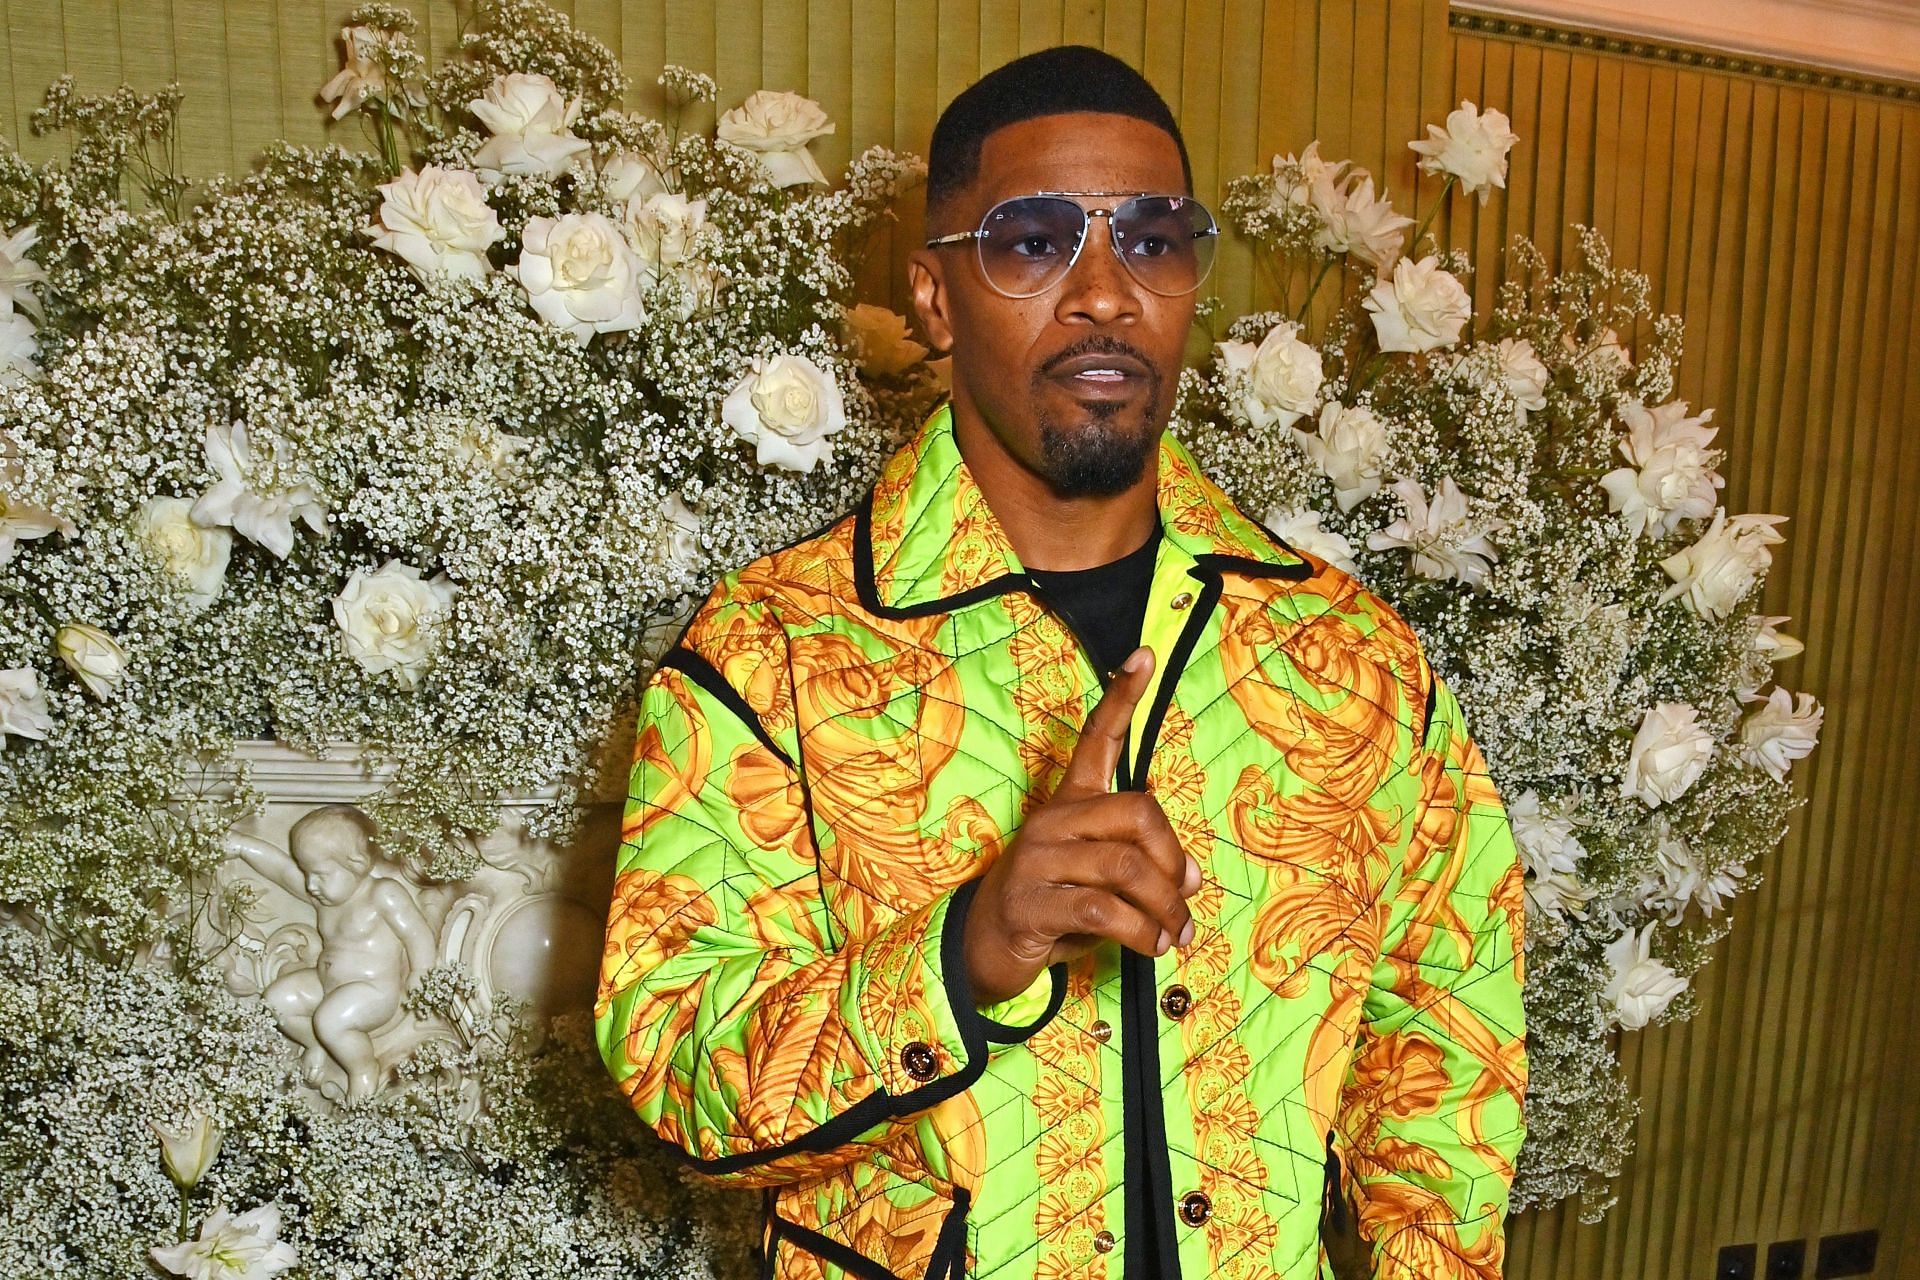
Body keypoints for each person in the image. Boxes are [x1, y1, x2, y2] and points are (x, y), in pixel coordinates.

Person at [596, 44, 1528, 1280]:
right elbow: (672, 1060)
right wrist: (964, 952)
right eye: (1033, 241)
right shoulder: (773, 651)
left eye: (1151, 239)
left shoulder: (1347, 654)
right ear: (935, 297)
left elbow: (1446, 1045)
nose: (1105, 292)